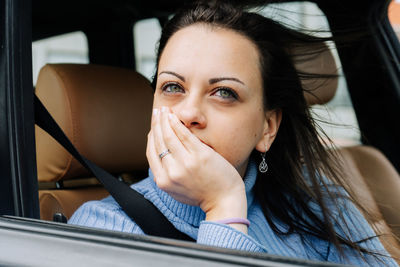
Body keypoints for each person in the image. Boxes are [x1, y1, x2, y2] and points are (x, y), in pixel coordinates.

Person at [69, 1, 398, 265]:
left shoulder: (323, 208)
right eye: (172, 87)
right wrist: (223, 206)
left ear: (267, 128)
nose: (189, 113)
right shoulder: (102, 228)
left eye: (224, 92)